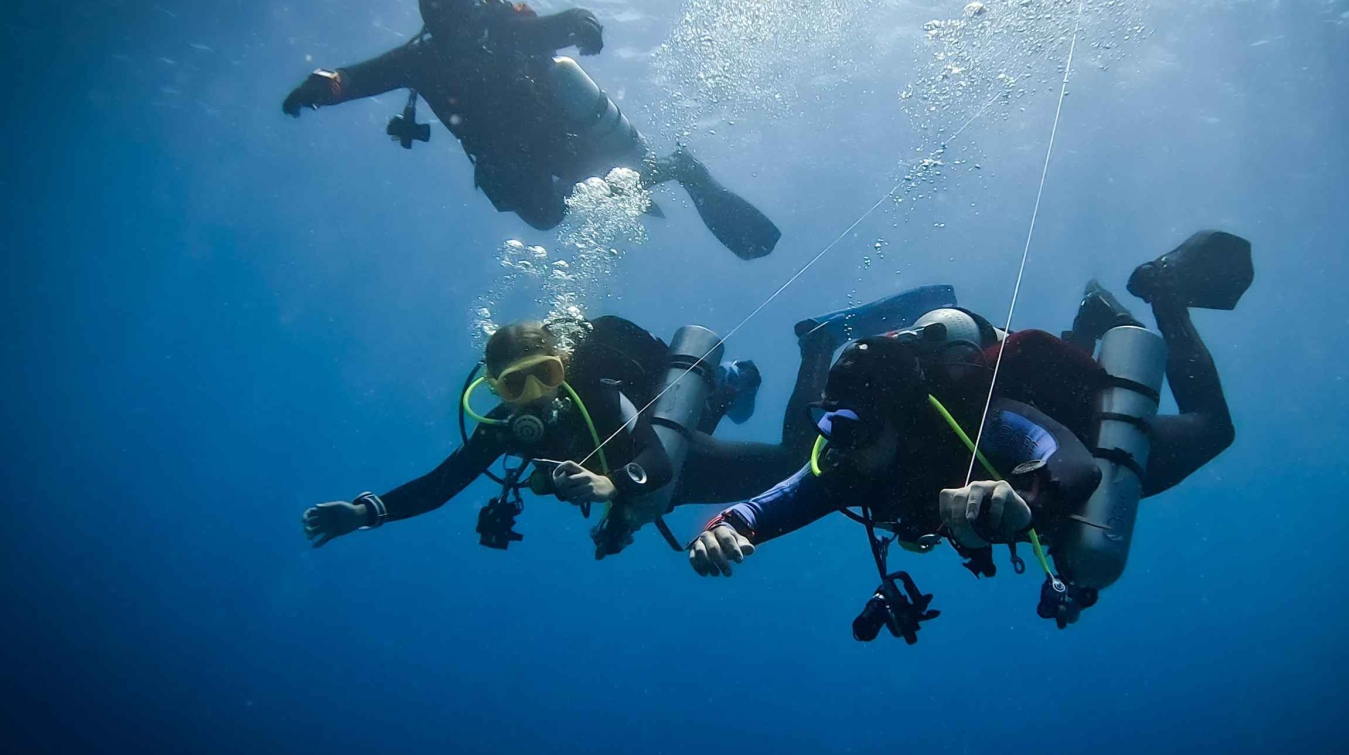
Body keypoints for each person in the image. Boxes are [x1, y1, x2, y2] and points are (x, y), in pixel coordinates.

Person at [686, 230, 1253, 634]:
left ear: (905, 422)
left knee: (1212, 429)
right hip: (1019, 448)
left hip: (1070, 429)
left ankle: (1168, 293)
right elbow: (771, 506)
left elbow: (1073, 464)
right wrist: (727, 527)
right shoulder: (848, 459)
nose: (837, 444)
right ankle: (1087, 323)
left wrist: (1023, 496)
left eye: (856, 429)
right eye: (829, 423)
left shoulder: (984, 420)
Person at [300, 285, 956, 557]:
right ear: (494, 389)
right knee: (731, 418)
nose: (531, 397)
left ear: (563, 365)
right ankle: (730, 386)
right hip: (648, 480)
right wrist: (369, 510)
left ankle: (818, 343)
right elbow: (441, 482)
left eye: (543, 375)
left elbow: (661, 460)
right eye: (513, 384)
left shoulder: (597, 384)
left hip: (675, 461)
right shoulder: (503, 427)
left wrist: (616, 489)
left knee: (797, 456)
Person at [281, 0, 780, 260]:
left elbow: (564, 22)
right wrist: (322, 87)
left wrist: (587, 27)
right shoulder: (420, 60)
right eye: (448, 28)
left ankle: (682, 168)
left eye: (465, 23)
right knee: (548, 217)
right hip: (504, 164)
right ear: (434, 28)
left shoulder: (504, 31)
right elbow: (360, 77)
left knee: (604, 189)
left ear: (473, 14)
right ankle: (661, 176)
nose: (461, 36)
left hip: (560, 138)